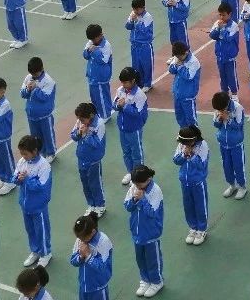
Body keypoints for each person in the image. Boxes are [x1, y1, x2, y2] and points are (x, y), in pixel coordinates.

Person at [123, 164, 165, 297]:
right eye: (135, 183)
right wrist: (134, 199)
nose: (137, 186)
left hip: (151, 232)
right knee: (140, 259)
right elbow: (127, 206)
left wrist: (141, 200)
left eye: (139, 184)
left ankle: (157, 281)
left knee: (153, 259)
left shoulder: (155, 190)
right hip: (137, 232)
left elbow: (152, 213)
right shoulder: (134, 187)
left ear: (147, 179)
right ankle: (145, 279)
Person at [14, 134, 53, 268]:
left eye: (25, 153)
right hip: (25, 205)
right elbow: (15, 177)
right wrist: (18, 179)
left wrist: (26, 179)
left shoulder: (44, 165)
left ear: (34, 151)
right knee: (30, 230)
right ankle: (35, 251)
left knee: (41, 229)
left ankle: (46, 253)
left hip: (39, 206)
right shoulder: (22, 162)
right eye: (21, 153)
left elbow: (41, 186)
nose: (23, 156)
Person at [173, 124, 210, 245]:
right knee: (188, 205)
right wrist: (184, 154)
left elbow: (202, 165)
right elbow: (176, 160)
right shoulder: (182, 144)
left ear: (193, 140)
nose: (183, 145)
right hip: (185, 181)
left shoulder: (202, 145)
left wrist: (192, 155)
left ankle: (202, 229)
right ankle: (193, 228)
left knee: (200, 205)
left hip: (198, 181)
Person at [70, 100, 108, 217]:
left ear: (90, 115)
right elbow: (73, 135)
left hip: (93, 160)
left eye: (82, 119)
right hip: (81, 158)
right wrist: (79, 133)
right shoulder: (80, 122)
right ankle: (91, 205)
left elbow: (97, 144)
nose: (80, 122)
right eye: (79, 119)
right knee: (85, 183)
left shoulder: (99, 124)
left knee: (95, 183)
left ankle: (100, 206)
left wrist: (85, 135)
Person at [210, 90, 248, 200]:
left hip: (236, 144)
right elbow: (216, 125)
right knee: (226, 166)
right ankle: (232, 185)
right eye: (218, 110)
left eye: (222, 109)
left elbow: (239, 125)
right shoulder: (218, 107)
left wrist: (228, 119)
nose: (220, 111)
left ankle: (242, 187)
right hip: (223, 143)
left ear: (227, 103)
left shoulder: (238, 108)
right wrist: (219, 118)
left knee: (238, 166)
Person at [69, 211, 113, 300]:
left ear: (92, 232)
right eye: (78, 237)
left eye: (82, 238)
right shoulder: (80, 239)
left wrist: (88, 255)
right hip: (84, 286)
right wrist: (81, 257)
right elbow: (73, 260)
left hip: (99, 288)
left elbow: (102, 267)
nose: (80, 240)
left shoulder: (103, 242)